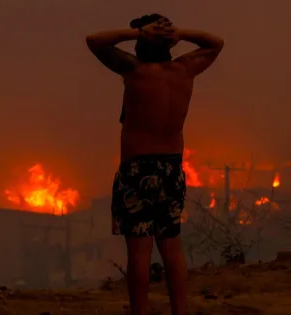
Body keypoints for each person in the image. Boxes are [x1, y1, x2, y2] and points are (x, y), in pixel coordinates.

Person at [86, 14, 224, 315]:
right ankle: (180, 311)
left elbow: (94, 41)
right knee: (171, 245)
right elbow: (216, 44)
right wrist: (182, 32)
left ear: (141, 41)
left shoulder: (134, 70)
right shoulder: (185, 70)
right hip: (172, 169)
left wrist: (136, 33)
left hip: (138, 169)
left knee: (139, 250)